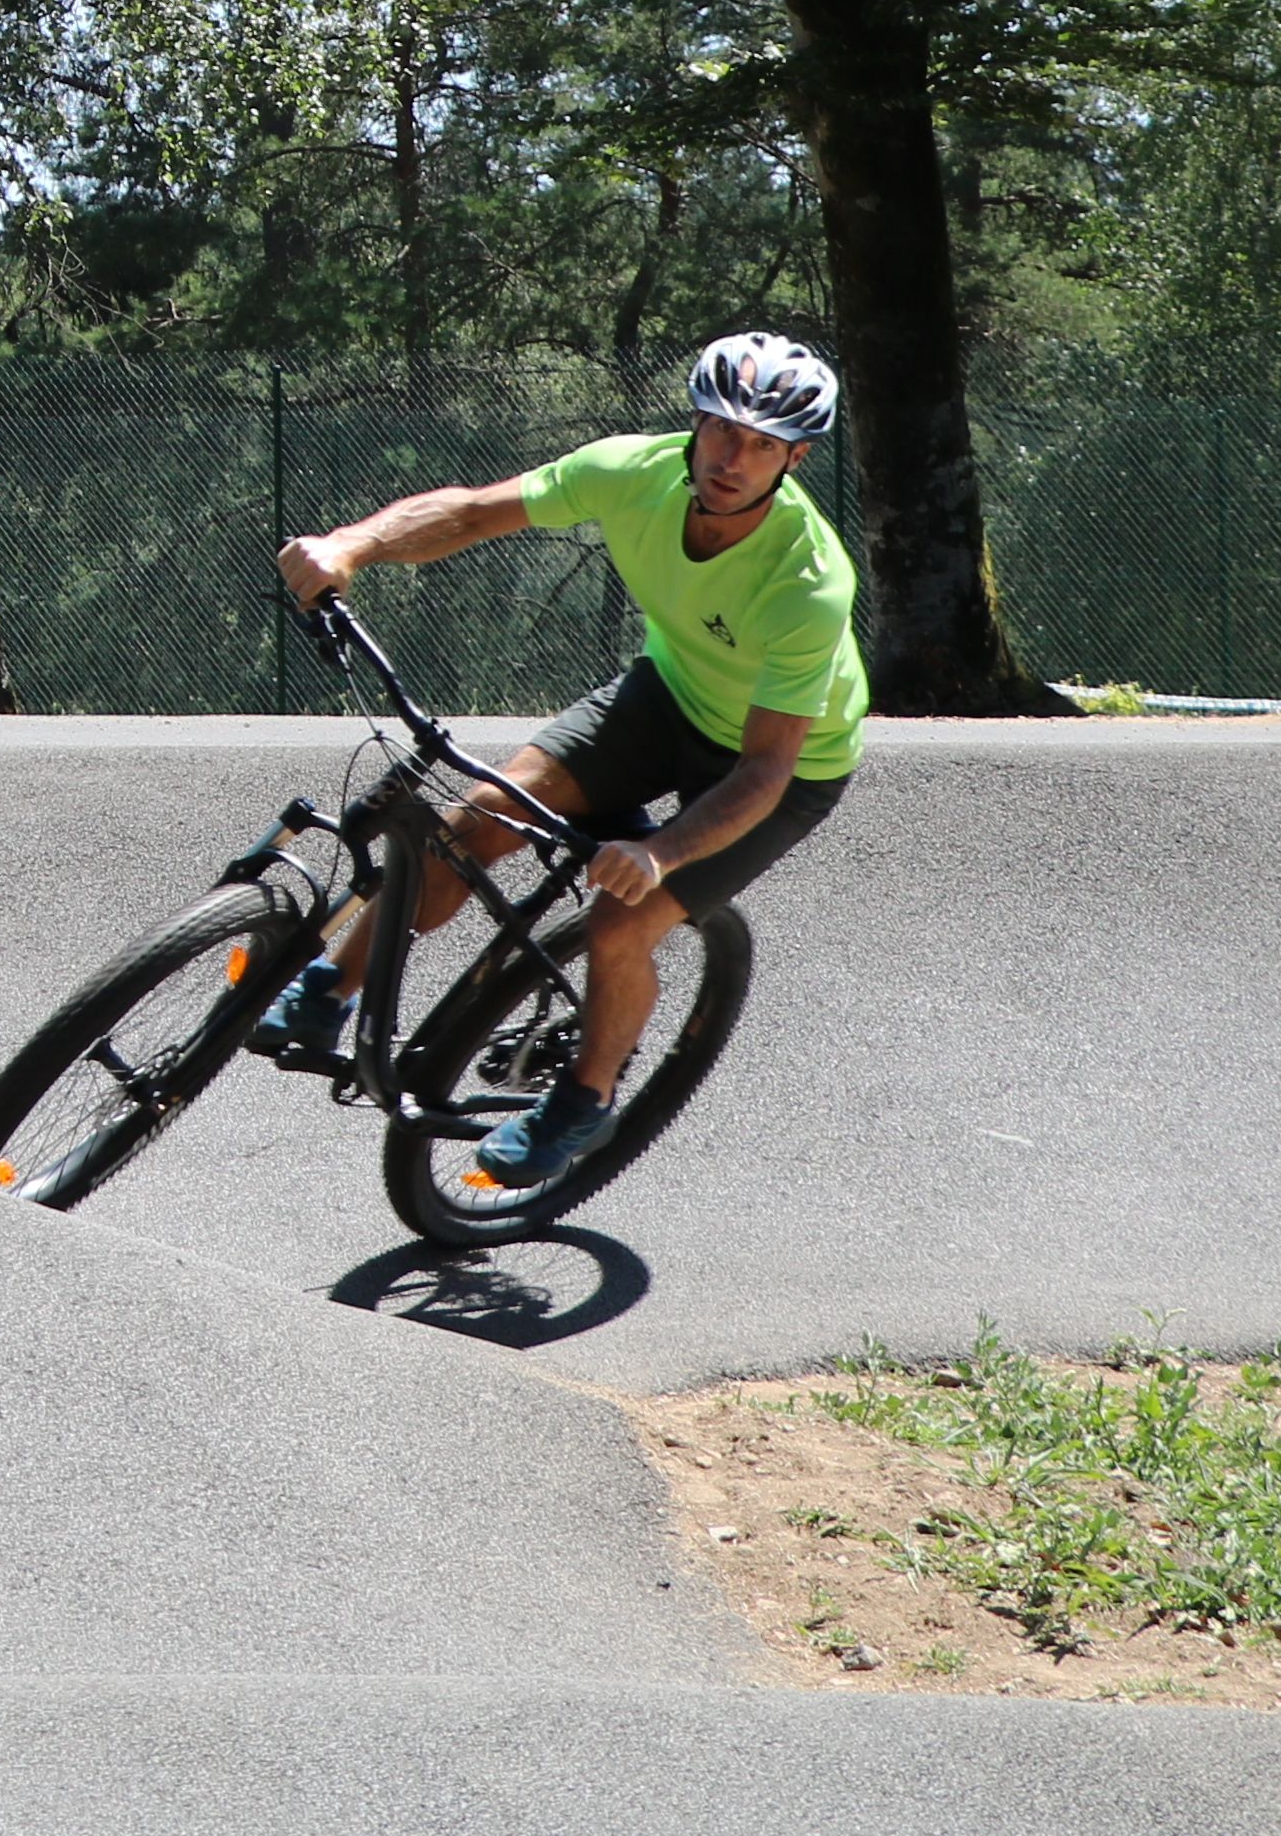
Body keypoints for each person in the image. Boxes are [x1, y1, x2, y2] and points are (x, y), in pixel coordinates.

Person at [251, 331, 867, 1191]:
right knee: (474, 822)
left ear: (795, 458)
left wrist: (659, 853)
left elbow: (764, 770)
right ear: (695, 422)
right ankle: (328, 991)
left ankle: (585, 1097)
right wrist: (353, 546)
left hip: (780, 767)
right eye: (723, 429)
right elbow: (471, 511)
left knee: (624, 918)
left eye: (763, 445)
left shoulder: (807, 581)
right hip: (670, 695)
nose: (734, 458)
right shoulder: (631, 473)